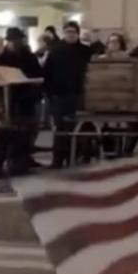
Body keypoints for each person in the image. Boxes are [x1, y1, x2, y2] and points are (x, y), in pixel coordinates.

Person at [42, 21, 93, 167]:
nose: (71, 34)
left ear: (78, 33)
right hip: (59, 95)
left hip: (78, 95)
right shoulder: (55, 51)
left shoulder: (85, 51)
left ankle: (76, 157)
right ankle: (58, 159)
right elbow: (47, 73)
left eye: (73, 32)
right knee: (60, 129)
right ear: (64, 33)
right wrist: (49, 94)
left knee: (76, 128)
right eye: (68, 32)